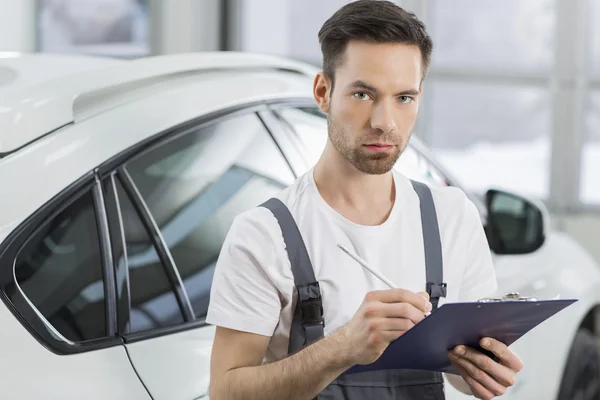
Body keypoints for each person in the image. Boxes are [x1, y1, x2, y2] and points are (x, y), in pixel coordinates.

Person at [206, 1, 523, 399]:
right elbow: (225, 392)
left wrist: (482, 369)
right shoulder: (263, 234)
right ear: (323, 92)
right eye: (362, 94)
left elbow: (461, 375)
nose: (384, 121)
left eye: (403, 98)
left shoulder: (452, 216)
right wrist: (343, 348)